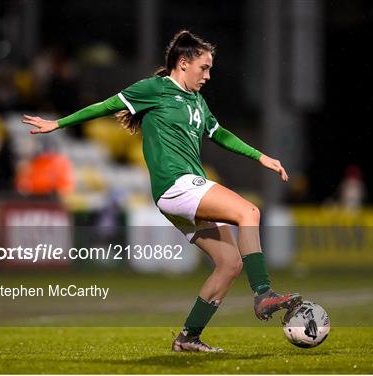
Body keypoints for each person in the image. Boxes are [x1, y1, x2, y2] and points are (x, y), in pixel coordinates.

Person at [22, 30, 302, 352]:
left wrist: (261, 156)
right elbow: (105, 105)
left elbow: (219, 134)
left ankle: (188, 338)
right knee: (248, 211)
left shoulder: (197, 101)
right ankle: (264, 294)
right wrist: (57, 124)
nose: (208, 76)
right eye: (204, 68)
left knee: (229, 264)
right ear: (183, 63)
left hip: (183, 192)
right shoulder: (154, 89)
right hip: (177, 184)